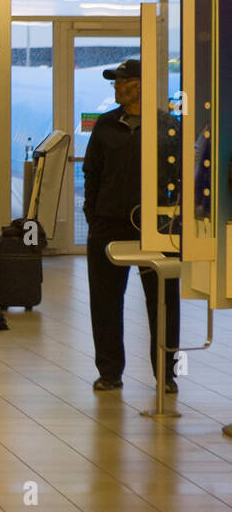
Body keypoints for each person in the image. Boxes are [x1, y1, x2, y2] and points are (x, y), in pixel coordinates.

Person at [83, 58, 181, 394]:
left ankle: (167, 374)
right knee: (105, 302)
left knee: (164, 302)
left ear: (139, 85)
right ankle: (109, 372)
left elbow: (180, 175)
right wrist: (94, 218)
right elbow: (92, 173)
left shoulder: (168, 126)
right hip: (109, 226)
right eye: (115, 82)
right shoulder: (106, 125)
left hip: (157, 227)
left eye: (121, 81)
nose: (116, 87)